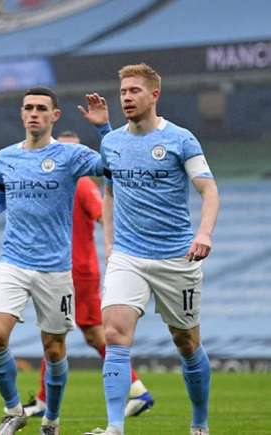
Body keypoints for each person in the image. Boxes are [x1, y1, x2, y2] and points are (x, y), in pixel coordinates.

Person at [0, 87, 105, 435]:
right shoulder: (6, 157)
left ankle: (51, 419)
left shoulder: (71, 155)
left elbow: (109, 165)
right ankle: (13, 410)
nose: (34, 113)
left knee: (54, 347)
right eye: (28, 108)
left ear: (54, 116)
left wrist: (103, 128)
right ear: (22, 114)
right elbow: (0, 200)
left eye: (41, 108)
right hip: (14, 263)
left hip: (55, 270)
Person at [86, 64, 219, 435]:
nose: (126, 97)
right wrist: (111, 244)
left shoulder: (181, 139)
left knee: (187, 343)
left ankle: (199, 423)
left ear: (154, 95)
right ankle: (114, 427)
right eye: (123, 91)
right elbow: (109, 193)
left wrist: (204, 233)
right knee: (113, 333)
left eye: (134, 91)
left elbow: (209, 190)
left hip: (177, 257)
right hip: (129, 256)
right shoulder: (111, 142)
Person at [25, 125, 152, 417]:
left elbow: (104, 216)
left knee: (55, 331)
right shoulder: (58, 184)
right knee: (90, 334)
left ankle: (46, 400)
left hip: (76, 271)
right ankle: (137, 390)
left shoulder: (82, 185)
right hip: (65, 268)